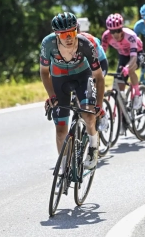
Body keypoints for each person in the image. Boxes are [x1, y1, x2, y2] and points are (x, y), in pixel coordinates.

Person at [40, 12, 105, 170]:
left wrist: (99, 105)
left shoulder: (86, 43)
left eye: (71, 32)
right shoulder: (48, 44)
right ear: (56, 35)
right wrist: (52, 96)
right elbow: (44, 72)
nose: (68, 38)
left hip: (83, 76)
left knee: (89, 115)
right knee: (61, 128)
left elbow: (99, 76)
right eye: (63, 35)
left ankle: (93, 147)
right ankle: (63, 168)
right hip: (59, 78)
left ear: (77, 30)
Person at [101, 13, 144, 110]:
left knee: (131, 70)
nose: (115, 34)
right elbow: (101, 54)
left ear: (122, 29)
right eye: (112, 31)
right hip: (123, 55)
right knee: (119, 86)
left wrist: (127, 68)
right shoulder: (106, 36)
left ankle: (137, 95)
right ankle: (124, 113)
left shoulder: (130, 35)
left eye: (118, 30)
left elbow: (133, 58)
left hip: (137, 53)